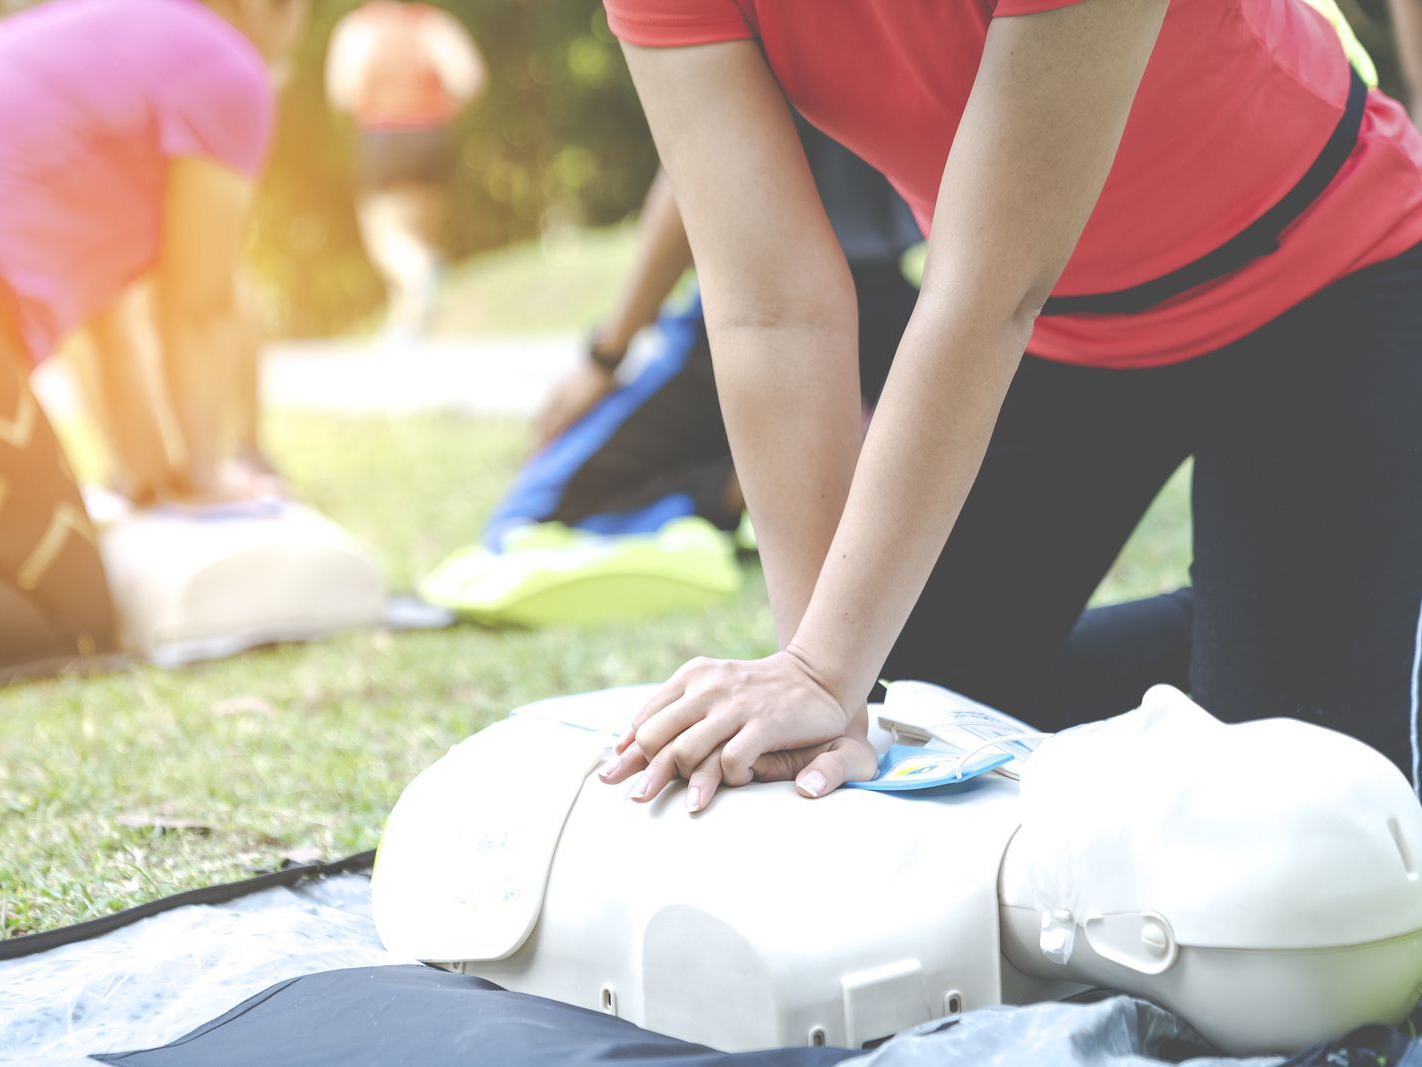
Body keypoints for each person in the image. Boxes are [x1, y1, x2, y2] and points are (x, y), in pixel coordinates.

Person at [594, 0, 1422, 811]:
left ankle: (1349, 612)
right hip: (1060, 333)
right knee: (900, 704)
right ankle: (1304, 604)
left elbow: (990, 286)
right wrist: (823, 684)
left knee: (1300, 814)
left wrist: (823, 667)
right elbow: (773, 310)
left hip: (1328, 278)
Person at [0, 0, 307, 682]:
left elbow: (103, 332)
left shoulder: (88, 28)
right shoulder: (227, 66)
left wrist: (150, 477)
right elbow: (199, 303)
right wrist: (205, 475)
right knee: (59, 613)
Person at [492, 118, 922, 549]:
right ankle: (793, 474)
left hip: (759, 305)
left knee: (523, 523)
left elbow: (691, 160)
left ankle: (801, 475)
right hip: (889, 304)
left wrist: (605, 358)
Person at [325, 1, 485, 341]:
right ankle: (407, 327)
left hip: (383, 136)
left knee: (386, 238)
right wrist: (444, 109)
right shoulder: (432, 24)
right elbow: (468, 78)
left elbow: (342, 90)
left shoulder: (359, 28)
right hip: (431, 136)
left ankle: (422, 275)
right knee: (419, 235)